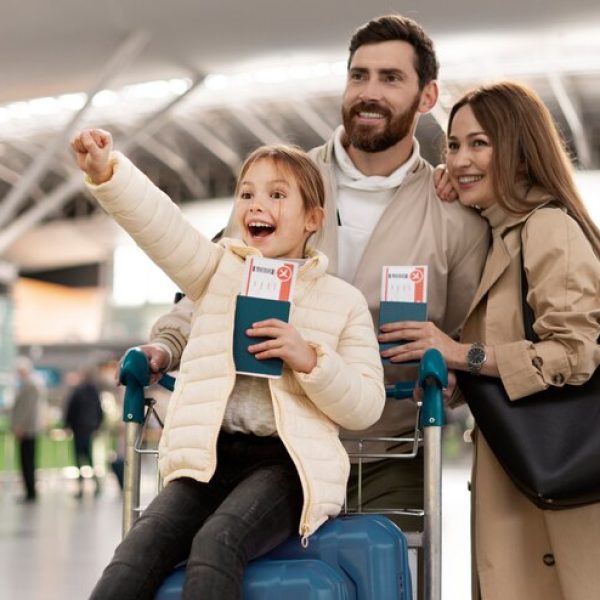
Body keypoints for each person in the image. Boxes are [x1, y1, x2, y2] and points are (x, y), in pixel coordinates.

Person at [139, 13, 490, 531]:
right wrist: (167, 342)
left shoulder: (455, 219)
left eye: (391, 78)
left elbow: (467, 336)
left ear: (427, 95)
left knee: (381, 579)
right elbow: (219, 280)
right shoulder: (282, 184)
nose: (369, 92)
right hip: (269, 446)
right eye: (359, 75)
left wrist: (452, 375)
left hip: (387, 455)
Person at [71, 128, 386, 599]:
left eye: (277, 194)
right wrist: (108, 172)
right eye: (247, 193)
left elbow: (365, 406)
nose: (257, 204)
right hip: (208, 458)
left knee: (218, 543)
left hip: (285, 465)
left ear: (313, 219)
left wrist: (309, 359)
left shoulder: (343, 302)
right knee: (135, 554)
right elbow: (163, 228)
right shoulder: (218, 272)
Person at [393, 81, 600, 599]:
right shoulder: (499, 234)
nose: (461, 159)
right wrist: (451, 378)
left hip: (565, 490)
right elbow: (503, 356)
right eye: (454, 146)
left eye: (479, 144)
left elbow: (572, 355)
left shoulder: (549, 227)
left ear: (521, 150)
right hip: (521, 475)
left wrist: (459, 352)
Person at [64, 368, 104, 498]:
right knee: (90, 458)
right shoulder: (94, 392)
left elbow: (71, 409)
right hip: (90, 428)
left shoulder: (77, 391)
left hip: (79, 429)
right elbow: (99, 410)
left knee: (79, 459)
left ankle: (81, 488)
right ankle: (96, 485)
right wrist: (97, 426)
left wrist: (67, 425)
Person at [10, 356, 46, 503]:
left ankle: (30, 491)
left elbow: (27, 409)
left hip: (28, 429)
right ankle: (28, 490)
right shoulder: (30, 384)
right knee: (26, 461)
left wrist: (20, 425)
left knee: (28, 461)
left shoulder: (31, 384)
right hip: (27, 428)